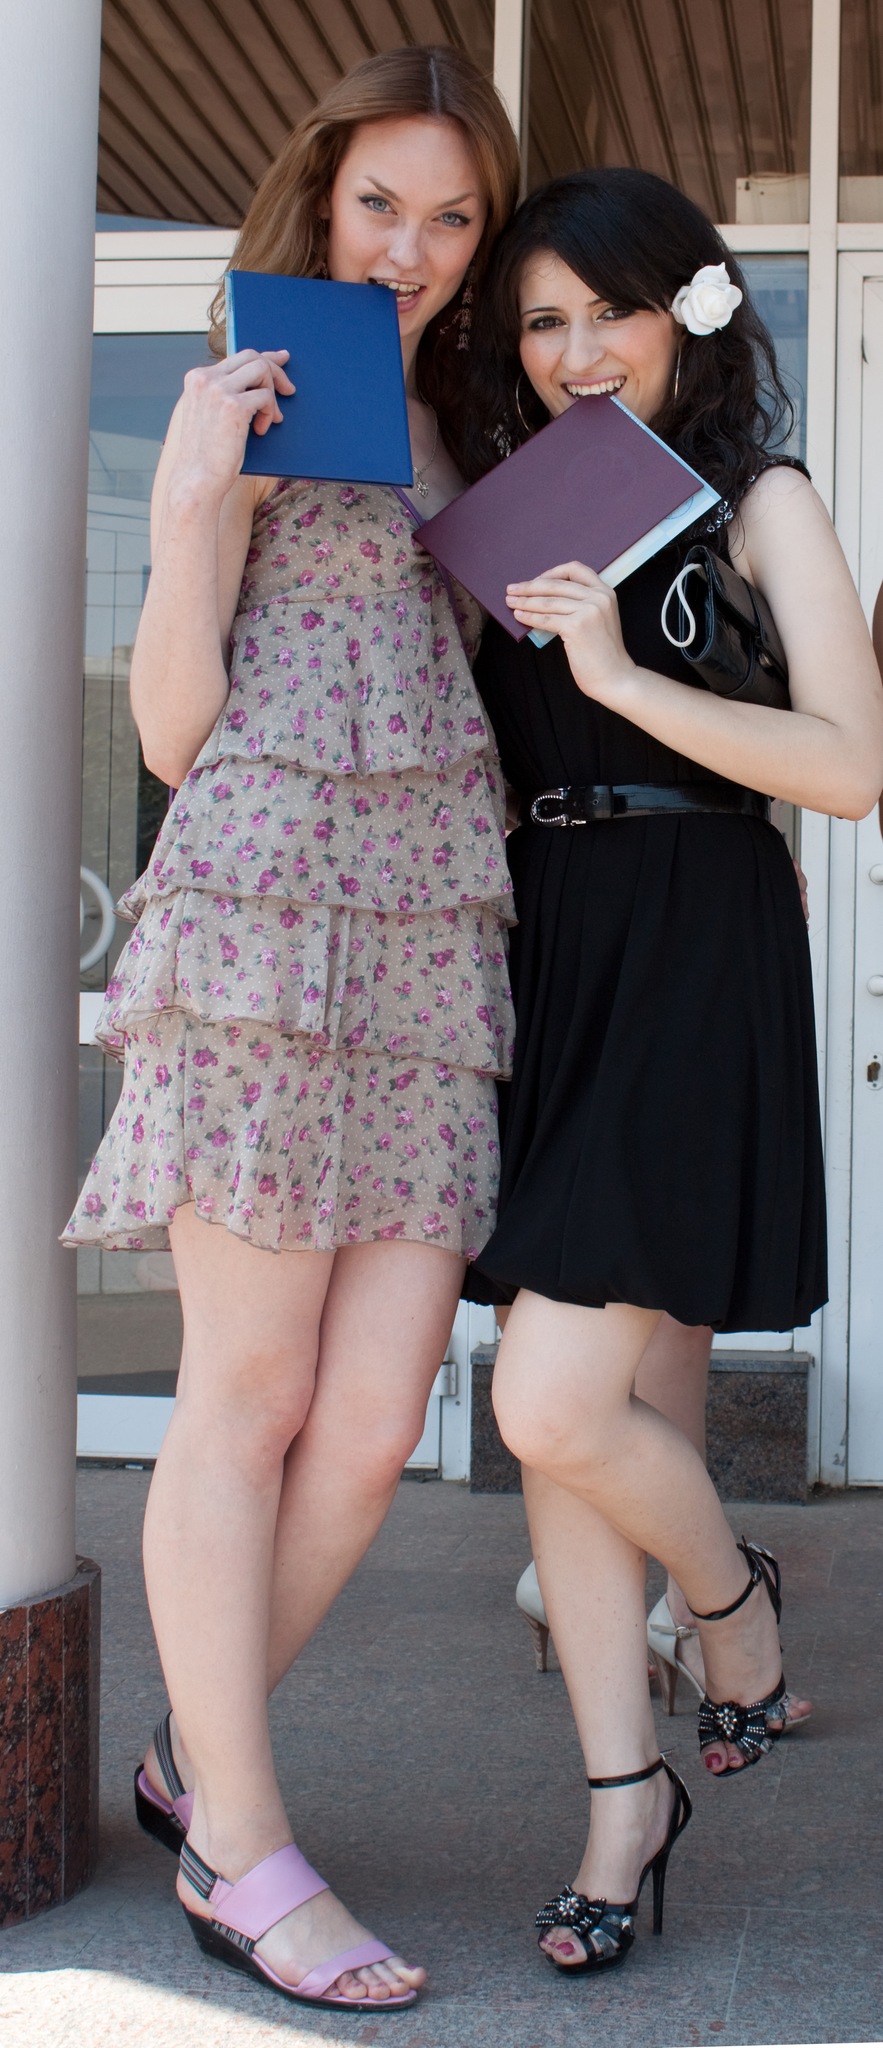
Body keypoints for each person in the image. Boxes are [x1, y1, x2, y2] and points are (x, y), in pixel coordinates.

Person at [64, 46, 519, 2013]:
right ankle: (241, 1846)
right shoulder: (237, 395)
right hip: (260, 910)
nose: (410, 247)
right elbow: (173, 729)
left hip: (425, 927)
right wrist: (198, 505)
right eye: (379, 204)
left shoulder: (458, 420)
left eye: (451, 218)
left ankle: (197, 1754)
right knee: (247, 1397)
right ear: (319, 197)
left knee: (373, 1417)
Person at [460, 166, 883, 1974]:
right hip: (545, 953)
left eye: (608, 311)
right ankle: (624, 1807)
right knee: (568, 1416)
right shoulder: (510, 505)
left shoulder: (759, 498)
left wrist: (624, 680)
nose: (576, 352)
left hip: (695, 942)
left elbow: (849, 766)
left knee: (551, 1401)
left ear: (688, 309)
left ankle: (730, 1604)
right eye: (541, 321)